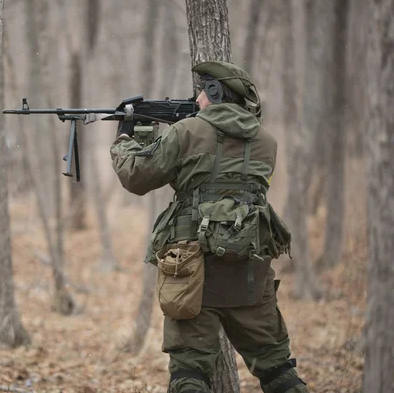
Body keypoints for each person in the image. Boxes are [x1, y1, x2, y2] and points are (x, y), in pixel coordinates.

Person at [110, 61, 308, 393]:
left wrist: (125, 137)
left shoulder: (186, 132)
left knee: (189, 371)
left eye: (202, 90)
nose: (197, 97)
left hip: (192, 270)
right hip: (249, 269)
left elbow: (136, 176)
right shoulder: (266, 141)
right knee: (277, 368)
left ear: (214, 92)